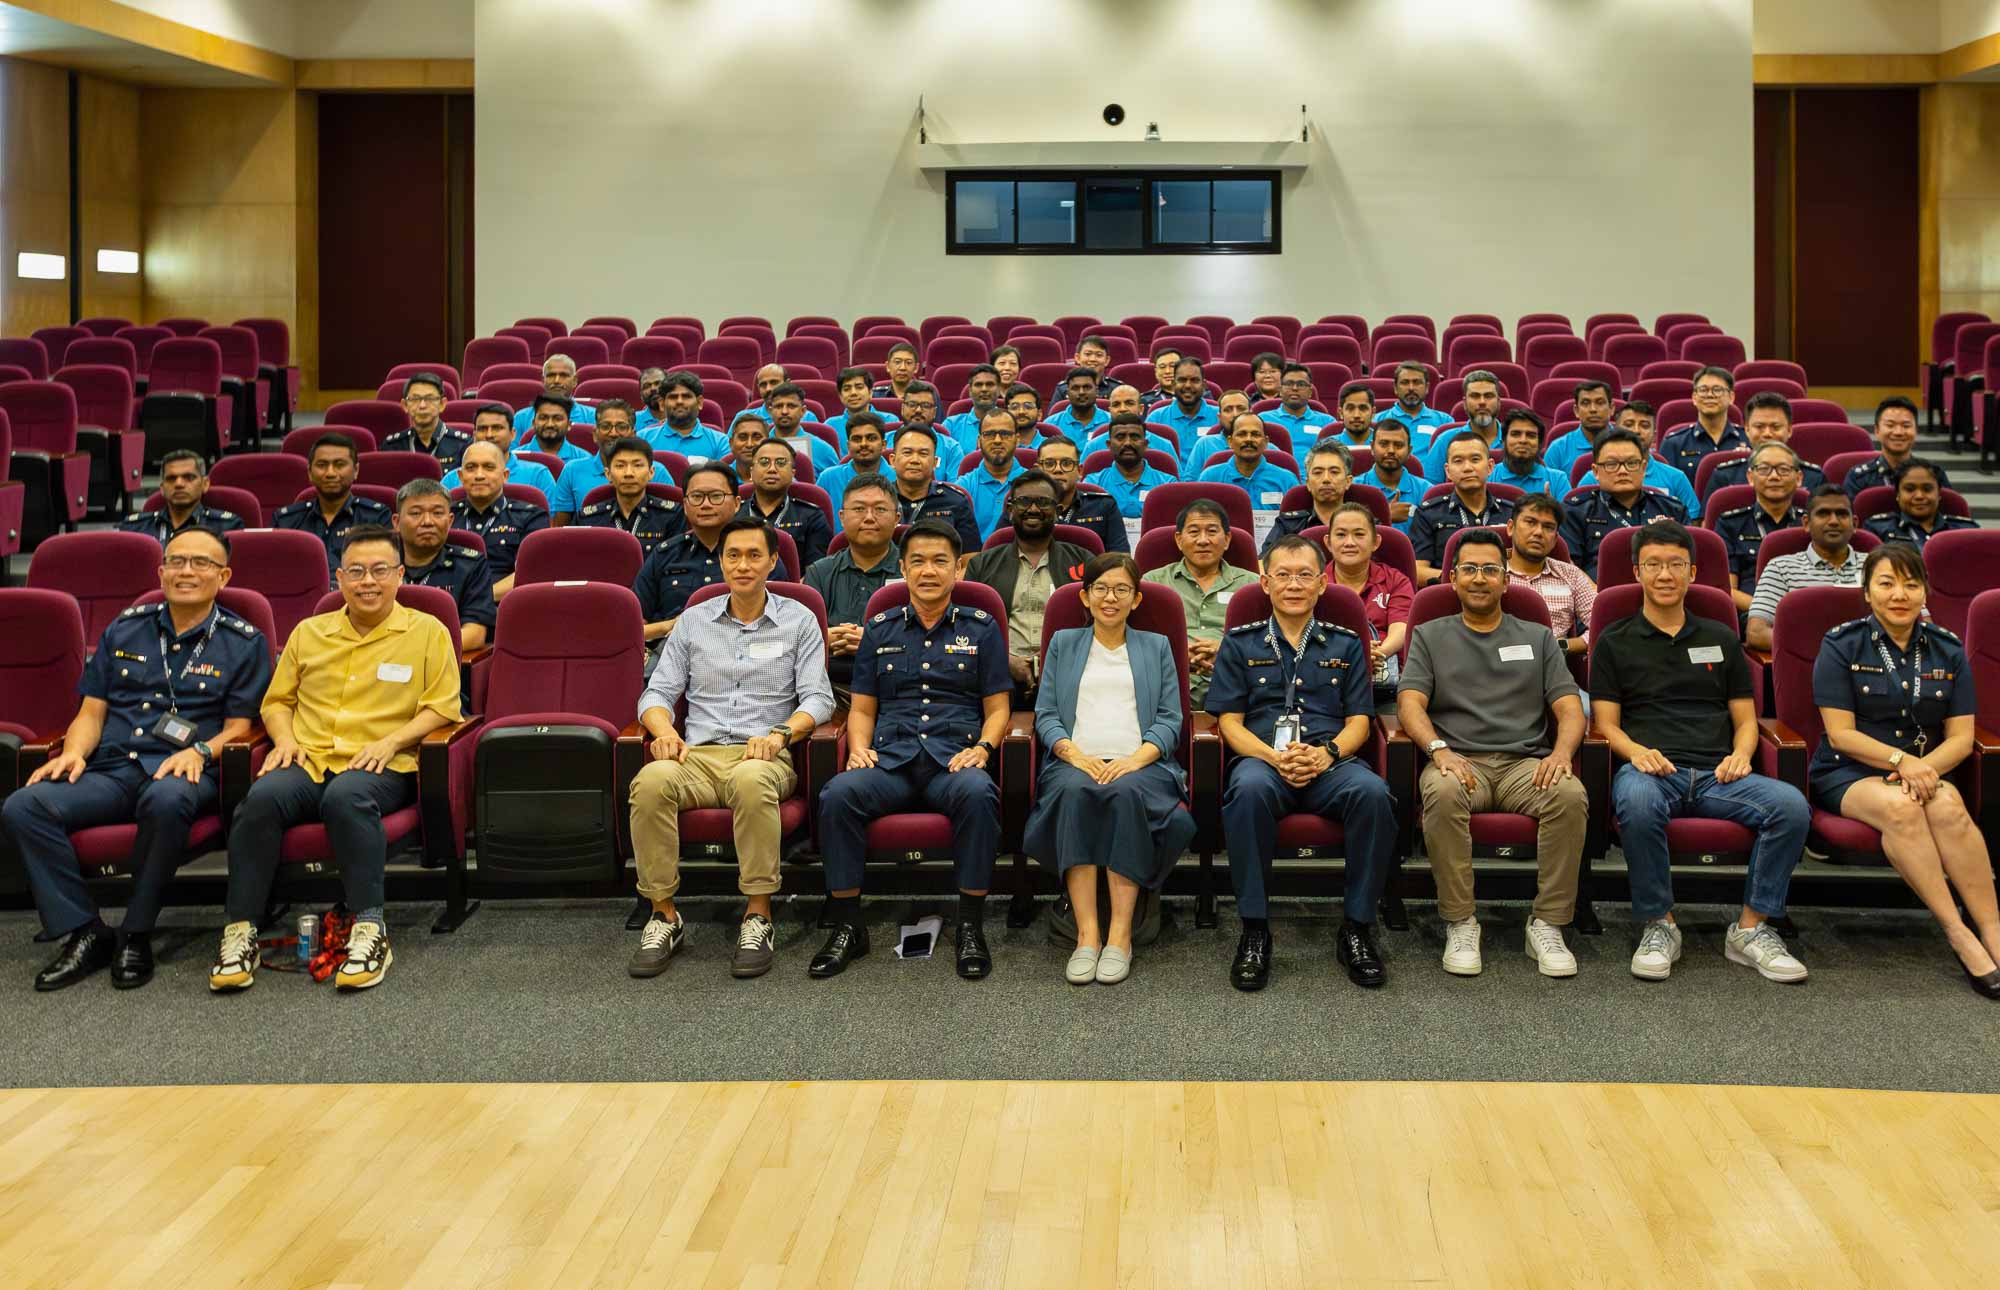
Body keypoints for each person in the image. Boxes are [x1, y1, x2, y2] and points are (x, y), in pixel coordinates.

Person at [5, 527, 270, 990]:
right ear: (161, 571)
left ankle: (136, 931)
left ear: (223, 575)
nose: (186, 571)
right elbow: (92, 711)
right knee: (23, 806)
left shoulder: (243, 641)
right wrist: (71, 753)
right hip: (115, 766)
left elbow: (243, 727)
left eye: (201, 563)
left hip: (188, 769)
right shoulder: (126, 626)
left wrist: (202, 750)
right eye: (176, 561)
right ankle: (85, 931)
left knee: (166, 801)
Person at [209, 525, 461, 994]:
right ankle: (240, 931)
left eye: (380, 571)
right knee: (259, 800)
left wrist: (392, 741)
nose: (369, 582)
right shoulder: (311, 632)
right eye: (358, 572)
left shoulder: (426, 631)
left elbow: (443, 706)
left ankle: (370, 928)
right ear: (339, 579)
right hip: (308, 758)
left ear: (400, 575)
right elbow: (277, 702)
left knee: (346, 798)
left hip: (383, 764)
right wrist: (283, 740)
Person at [1592, 521, 1811, 982]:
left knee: (1790, 806)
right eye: (1653, 564)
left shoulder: (1720, 636)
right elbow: (1606, 724)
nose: (1665, 574)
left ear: (1692, 572)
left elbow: (1747, 717)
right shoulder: (1615, 639)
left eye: (1676, 564)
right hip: (1652, 769)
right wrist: (1636, 752)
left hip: (1720, 773)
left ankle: (1751, 929)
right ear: (1637, 572)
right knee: (1635, 801)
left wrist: (1742, 754)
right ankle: (1659, 924)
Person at [626, 517, 834, 980]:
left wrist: (781, 733)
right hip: (695, 755)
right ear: (719, 561)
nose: (743, 565)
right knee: (649, 782)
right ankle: (664, 914)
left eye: (754, 555)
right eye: (733, 555)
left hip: (763, 754)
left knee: (750, 780)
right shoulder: (694, 621)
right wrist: (664, 731)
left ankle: (757, 913)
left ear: (773, 561)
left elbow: (819, 698)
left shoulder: (798, 620)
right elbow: (656, 694)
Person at [812, 520, 1010, 980]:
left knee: (979, 795)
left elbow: (998, 708)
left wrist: (983, 748)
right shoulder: (879, 628)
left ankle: (970, 925)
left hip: (953, 758)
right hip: (891, 760)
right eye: (917, 561)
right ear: (901, 569)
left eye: (940, 561)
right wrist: (857, 750)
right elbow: (862, 708)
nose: (928, 571)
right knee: (838, 795)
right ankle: (848, 924)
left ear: (958, 569)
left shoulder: (981, 628)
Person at [1207, 535, 1397, 991]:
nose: (1294, 585)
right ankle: (1255, 929)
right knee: (1247, 792)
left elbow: (1359, 722)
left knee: (1373, 794)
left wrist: (1325, 754)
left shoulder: (1348, 644)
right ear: (1265, 582)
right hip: (1262, 758)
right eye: (1284, 576)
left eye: (1305, 575)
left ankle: (1356, 927)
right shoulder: (1238, 643)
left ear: (1322, 584)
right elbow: (1229, 723)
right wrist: (1273, 757)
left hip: (1329, 760)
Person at [1398, 528, 1589, 977]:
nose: (1479, 579)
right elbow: (1409, 704)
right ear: (1453, 579)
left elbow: (1569, 707)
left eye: (1489, 570)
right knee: (1442, 796)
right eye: (1469, 570)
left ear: (1506, 581)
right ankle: (1461, 920)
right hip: (1459, 761)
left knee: (1569, 795)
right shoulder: (1428, 634)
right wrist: (1438, 750)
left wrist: (1561, 755)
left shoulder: (1539, 637)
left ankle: (1547, 922)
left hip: (1527, 764)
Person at [1811, 543, 2000, 996]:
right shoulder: (1841, 644)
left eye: (1911, 584)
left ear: (1924, 592)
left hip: (1924, 768)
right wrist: (1904, 763)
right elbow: (1841, 734)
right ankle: (1957, 932)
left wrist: (1923, 769)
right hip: (1848, 771)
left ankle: (1994, 930)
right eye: (1887, 583)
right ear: (1868, 592)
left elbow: (1959, 737)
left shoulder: (1947, 648)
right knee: (1901, 810)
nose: (1900, 594)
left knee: (1951, 809)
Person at [1027, 553, 1195, 985]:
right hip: (1074, 761)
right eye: (1101, 589)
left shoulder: (1155, 646)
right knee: (1074, 791)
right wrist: (1074, 755)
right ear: (1085, 596)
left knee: (1124, 792)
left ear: (1136, 599)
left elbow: (1170, 719)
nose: (1110, 597)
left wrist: (1132, 760)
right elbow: (1045, 714)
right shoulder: (1064, 643)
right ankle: (1088, 935)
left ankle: (1121, 934)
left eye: (1122, 590)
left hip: (1143, 764)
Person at [963, 471, 1091, 702]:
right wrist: (1004, 659)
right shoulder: (981, 565)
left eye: (1043, 502)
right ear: (1010, 510)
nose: (1033, 509)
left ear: (1059, 511)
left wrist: (1057, 658)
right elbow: (967, 626)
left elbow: (1099, 621)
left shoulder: (1084, 561)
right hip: (996, 674)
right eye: (1023, 502)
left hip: (1072, 673)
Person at [1142, 499, 1257, 707]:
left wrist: (1228, 649)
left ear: (1227, 539)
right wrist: (1175, 653)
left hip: (1238, 682)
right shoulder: (1153, 583)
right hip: (1170, 682)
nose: (1203, 540)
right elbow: (1137, 638)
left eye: (1212, 531)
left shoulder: (1252, 586)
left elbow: (1269, 637)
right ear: (1179, 539)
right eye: (1194, 532)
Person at [803, 474, 902, 694]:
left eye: (880, 509)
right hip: (828, 689)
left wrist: (872, 641)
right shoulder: (820, 572)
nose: (869, 517)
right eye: (858, 509)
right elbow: (799, 638)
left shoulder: (914, 572)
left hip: (898, 686)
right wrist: (825, 638)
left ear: (896, 518)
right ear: (842, 517)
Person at [1746, 485, 1865, 652]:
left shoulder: (1878, 567)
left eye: (1842, 514)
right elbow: (1756, 633)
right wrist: (1828, 653)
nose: (1833, 521)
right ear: (1806, 523)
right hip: (1807, 666)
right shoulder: (1781, 568)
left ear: (1854, 524)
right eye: (1823, 514)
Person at [1558, 429, 1688, 580]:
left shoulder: (1672, 509)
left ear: (1643, 468)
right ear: (1596, 471)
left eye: (1631, 463)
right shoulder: (1575, 511)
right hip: (1596, 598)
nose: (1622, 471)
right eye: (1612, 464)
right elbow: (1568, 567)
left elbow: (1686, 561)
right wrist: (1592, 595)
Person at [634, 461, 739, 644]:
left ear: (737, 504)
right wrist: (670, 626)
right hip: (671, 651)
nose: (705, 504)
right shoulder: (665, 553)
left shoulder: (757, 554)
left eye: (716, 496)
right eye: (697, 496)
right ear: (684, 504)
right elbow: (633, 627)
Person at [270, 432, 392, 576]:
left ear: (356, 470)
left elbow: (384, 571)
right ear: (309, 472)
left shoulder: (376, 518)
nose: (330, 473)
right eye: (322, 465)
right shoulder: (286, 521)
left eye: (339, 465)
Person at [393, 478, 494, 651]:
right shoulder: (381, 566)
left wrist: (417, 652)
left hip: (444, 667)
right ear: (396, 522)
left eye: (437, 513)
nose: (427, 521)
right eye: (416, 513)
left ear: (450, 521)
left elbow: (475, 634)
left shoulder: (470, 565)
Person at [1325, 501, 1413, 695]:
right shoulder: (1316, 584)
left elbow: (1400, 630)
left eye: (1359, 534)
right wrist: (1358, 654)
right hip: (1327, 680)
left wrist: (1374, 654)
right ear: (1328, 542)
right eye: (1340, 535)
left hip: (1385, 680)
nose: (1349, 542)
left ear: (1376, 542)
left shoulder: (1396, 580)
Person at [1409, 430, 1515, 584]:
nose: (1467, 468)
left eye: (1475, 459)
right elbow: (1418, 570)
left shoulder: (1511, 513)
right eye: (1458, 461)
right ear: (1448, 471)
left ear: (1490, 466)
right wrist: (1464, 579)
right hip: (1448, 595)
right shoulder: (1428, 514)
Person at [448, 439, 547, 599]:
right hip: (451, 608)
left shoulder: (531, 516)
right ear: (460, 476)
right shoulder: (445, 516)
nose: (479, 475)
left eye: (489, 467)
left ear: (505, 475)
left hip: (505, 606)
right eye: (471, 468)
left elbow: (531, 572)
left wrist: (478, 600)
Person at [1715, 442, 1807, 612]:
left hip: (1806, 610)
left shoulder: (1810, 523)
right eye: (1764, 469)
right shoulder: (1731, 523)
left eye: (1784, 469)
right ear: (1750, 477)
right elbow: (1728, 590)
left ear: (1799, 478)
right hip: (1750, 612)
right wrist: (1769, 611)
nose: (1774, 476)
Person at [550, 401, 673, 522]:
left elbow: (671, 519)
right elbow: (562, 530)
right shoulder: (573, 470)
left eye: (621, 427)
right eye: (605, 426)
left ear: (633, 434)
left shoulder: (656, 471)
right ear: (595, 434)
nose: (613, 433)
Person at [1506, 495, 1595, 659]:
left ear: (1555, 539)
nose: (1538, 532)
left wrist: (1562, 645)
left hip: (1553, 668)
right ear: (1511, 527)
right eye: (1530, 522)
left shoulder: (1570, 574)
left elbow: (1601, 625)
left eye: (1548, 527)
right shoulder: (1490, 571)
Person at [575, 436, 686, 557]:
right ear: (608, 474)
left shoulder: (671, 516)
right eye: (620, 466)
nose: (628, 473)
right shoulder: (588, 518)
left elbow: (676, 565)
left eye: (637, 465)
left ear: (651, 473)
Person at [1701, 393, 1825, 500]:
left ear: (1789, 430)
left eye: (1775, 427)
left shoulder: (1814, 477)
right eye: (1759, 427)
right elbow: (1708, 524)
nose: (1767, 434)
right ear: (1747, 430)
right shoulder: (1725, 475)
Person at [1196, 414, 1302, 530]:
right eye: (1242, 434)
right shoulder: (1211, 478)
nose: (1248, 439)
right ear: (1230, 441)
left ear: (1266, 442)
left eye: (1255, 434)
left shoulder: (1287, 479)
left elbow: (1297, 526)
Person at [885, 424, 980, 552]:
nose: (915, 460)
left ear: (935, 463)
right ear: (892, 460)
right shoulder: (878, 499)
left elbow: (969, 560)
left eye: (923, 454)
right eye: (907, 452)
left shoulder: (956, 502)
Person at [119, 449, 245, 544]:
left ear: (205, 484)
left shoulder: (226, 526)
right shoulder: (135, 528)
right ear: (162, 488)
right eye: (171, 478)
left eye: (189, 477)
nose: (179, 484)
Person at [739, 437, 832, 566]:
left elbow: (817, 572)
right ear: (752, 471)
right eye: (764, 462)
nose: (772, 469)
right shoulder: (733, 514)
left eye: (781, 463)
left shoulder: (811, 516)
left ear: (793, 473)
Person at [440, 402, 559, 502]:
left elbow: (550, 524)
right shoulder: (452, 479)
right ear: (474, 435)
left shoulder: (538, 475)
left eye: (497, 428)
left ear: (512, 434)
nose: (489, 435)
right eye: (482, 429)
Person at [1035, 434, 1126, 553]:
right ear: (1037, 470)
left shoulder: (1104, 506)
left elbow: (1121, 560)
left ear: (1079, 471)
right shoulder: (1021, 506)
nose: (1058, 469)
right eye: (1049, 464)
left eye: (1066, 463)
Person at [1658, 367, 1747, 487]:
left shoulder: (1747, 439)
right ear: (1694, 397)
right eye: (1703, 390)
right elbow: (1665, 493)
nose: (1710, 395)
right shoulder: (1674, 444)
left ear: (1731, 397)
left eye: (1717, 389)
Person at [1861, 458, 1976, 550]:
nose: (1919, 496)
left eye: (1927, 489)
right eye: (1910, 489)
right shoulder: (1877, 529)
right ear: (1898, 494)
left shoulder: (1965, 530)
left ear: (1939, 494)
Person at [1262, 440, 1352, 554]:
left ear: (1348, 481)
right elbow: (1263, 563)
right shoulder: (1289, 525)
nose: (1326, 479)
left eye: (1334, 472)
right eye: (1318, 472)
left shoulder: (1366, 525)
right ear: (1308, 483)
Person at [1844, 396, 1943, 499]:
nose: (1898, 432)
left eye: (1906, 426)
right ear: (1877, 430)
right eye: (1890, 425)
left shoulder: (1933, 474)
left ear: (1916, 430)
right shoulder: (1859, 478)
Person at [1086, 416, 1176, 523]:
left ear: (1145, 444)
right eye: (1120, 437)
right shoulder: (1093, 484)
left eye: (1135, 437)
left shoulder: (1168, 484)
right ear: (1109, 445)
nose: (1127, 443)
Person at [1417, 370, 1504, 480]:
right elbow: (1431, 490)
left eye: (1488, 396)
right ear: (1465, 403)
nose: (1482, 402)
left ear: (1498, 402)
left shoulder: (1515, 440)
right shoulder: (1445, 441)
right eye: (1475, 396)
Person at [636, 370, 730, 463]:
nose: (679, 401)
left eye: (686, 396)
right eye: (673, 397)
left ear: (699, 402)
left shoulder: (720, 442)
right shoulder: (642, 439)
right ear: (662, 404)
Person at [961, 408, 1027, 540]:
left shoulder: (1034, 485)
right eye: (990, 434)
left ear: (1017, 439)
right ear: (979, 441)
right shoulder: (963, 487)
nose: (997, 440)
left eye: (1005, 433)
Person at [381, 372, 471, 468]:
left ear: (442, 404)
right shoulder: (392, 446)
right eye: (415, 399)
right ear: (405, 405)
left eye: (430, 399)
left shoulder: (463, 445)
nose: (422, 406)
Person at [1146, 357, 1220, 466]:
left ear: (1204, 385)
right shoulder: (1156, 418)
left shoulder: (1220, 416)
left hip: (1210, 481)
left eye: (1194, 380)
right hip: (1170, 481)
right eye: (1182, 380)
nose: (1188, 385)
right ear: (1174, 384)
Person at [1356, 419, 1425, 532]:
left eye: (1398, 445)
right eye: (1384, 444)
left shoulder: (1426, 491)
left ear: (1409, 451)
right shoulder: (1353, 489)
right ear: (1372, 447)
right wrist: (1386, 516)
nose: (1391, 450)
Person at [1544, 379, 1619, 479]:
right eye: (1585, 403)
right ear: (1576, 411)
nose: (1593, 409)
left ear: (1612, 408)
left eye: (1600, 403)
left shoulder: (1630, 445)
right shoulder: (1558, 449)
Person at [891, 380, 967, 477]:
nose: (918, 410)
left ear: (935, 412)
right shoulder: (884, 441)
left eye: (925, 406)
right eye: (912, 404)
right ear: (902, 408)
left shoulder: (952, 449)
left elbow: (954, 489)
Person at [814, 411, 890, 506]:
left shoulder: (897, 478)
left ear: (883, 445)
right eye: (857, 439)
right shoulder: (828, 478)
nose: (864, 444)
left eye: (871, 438)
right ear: (848, 446)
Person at [763, 382, 839, 475]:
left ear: (803, 411)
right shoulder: (757, 446)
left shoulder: (823, 450)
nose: (784, 411)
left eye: (791, 406)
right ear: (770, 411)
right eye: (779, 406)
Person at [508, 353, 595, 432]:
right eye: (551, 375)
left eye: (563, 375)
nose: (557, 381)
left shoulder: (592, 416)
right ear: (543, 380)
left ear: (575, 381)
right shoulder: (521, 417)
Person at [1373, 361, 1453, 447]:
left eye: (1417, 382)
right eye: (1405, 382)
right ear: (1395, 388)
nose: (1411, 388)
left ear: (1427, 388)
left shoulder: (1445, 421)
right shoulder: (1377, 420)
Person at [1491, 409, 1565, 495]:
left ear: (1539, 443)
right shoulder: (1488, 477)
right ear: (1504, 440)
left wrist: (1553, 507)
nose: (1523, 440)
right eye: (1516, 434)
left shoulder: (1558, 480)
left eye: (1531, 435)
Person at [511, 392, 593, 470]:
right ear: (533, 423)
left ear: (569, 425)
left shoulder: (585, 459)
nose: (550, 424)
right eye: (543, 418)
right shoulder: (515, 458)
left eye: (557, 419)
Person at [940, 364, 1005, 452]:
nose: (984, 389)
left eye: (990, 384)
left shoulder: (1010, 423)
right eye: (978, 385)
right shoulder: (951, 425)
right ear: (970, 390)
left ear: (999, 390)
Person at [828, 366, 898, 446]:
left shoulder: (889, 420)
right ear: (840, 396)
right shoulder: (830, 426)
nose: (853, 393)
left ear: (870, 392)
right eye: (847, 389)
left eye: (859, 387)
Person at [1263, 363, 1335, 439]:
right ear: (1280, 390)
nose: (1295, 388)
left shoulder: (1327, 422)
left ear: (1310, 392)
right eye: (1289, 384)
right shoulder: (1264, 419)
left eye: (1301, 384)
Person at [744, 364, 824, 428]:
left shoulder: (807, 418)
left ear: (787, 383)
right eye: (763, 384)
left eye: (774, 382)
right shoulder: (744, 417)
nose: (768, 389)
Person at [1048, 366, 1111, 438]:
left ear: (1097, 391)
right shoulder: (1051, 424)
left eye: (1087, 387)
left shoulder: (1111, 421)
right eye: (1075, 388)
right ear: (1068, 392)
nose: (1081, 392)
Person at [723, 410, 769, 479]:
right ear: (731, 443)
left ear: (768, 443)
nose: (749, 444)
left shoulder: (780, 478)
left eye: (757, 437)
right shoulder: (720, 478)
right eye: (742, 437)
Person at [1329, 381, 1375, 449]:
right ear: (1341, 413)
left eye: (1363, 408)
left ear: (1373, 413)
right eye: (1350, 408)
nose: (1356, 415)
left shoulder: (1385, 445)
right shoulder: (1328, 447)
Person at [1002, 382, 1046, 450]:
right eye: (1014, 407)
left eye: (1028, 406)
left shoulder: (1052, 448)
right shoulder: (998, 447)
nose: (1021, 412)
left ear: (1039, 414)